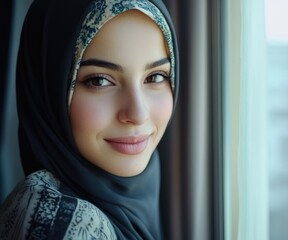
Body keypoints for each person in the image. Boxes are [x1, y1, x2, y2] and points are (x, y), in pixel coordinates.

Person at [0, 0, 179, 239]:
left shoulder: (138, 195)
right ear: (48, 88)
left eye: (156, 76)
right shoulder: (62, 221)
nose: (137, 114)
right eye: (99, 81)